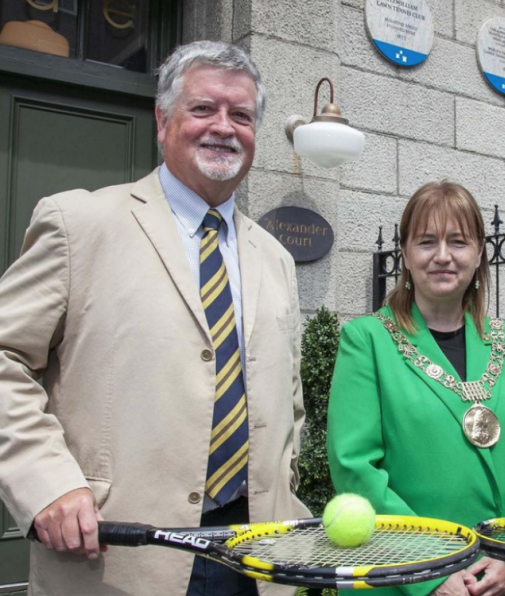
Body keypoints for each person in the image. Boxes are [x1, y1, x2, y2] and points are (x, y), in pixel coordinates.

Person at [0, 41, 310, 596]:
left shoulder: (277, 259)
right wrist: (45, 485)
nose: (224, 126)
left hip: (258, 557)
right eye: (203, 109)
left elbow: (287, 402)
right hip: (118, 556)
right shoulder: (79, 224)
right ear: (162, 121)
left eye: (241, 115)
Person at [327, 181, 505, 596]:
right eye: (426, 242)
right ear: (405, 253)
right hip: (401, 577)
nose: (443, 256)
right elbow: (355, 469)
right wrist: (430, 569)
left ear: (479, 251)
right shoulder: (367, 340)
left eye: (458, 241)